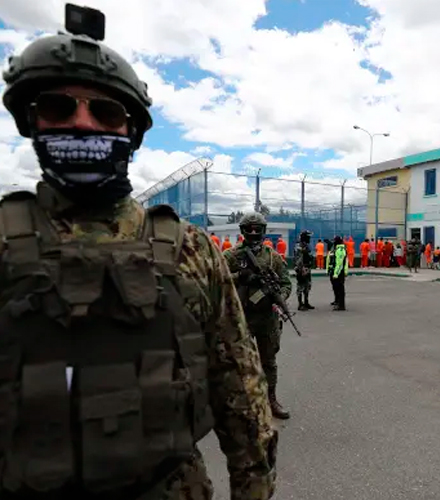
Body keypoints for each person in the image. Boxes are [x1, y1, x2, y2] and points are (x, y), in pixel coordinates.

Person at [0, 7, 277, 498]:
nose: (82, 125)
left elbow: (238, 388)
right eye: (59, 108)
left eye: (105, 113)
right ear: (30, 120)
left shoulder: (192, 250)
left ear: (132, 132)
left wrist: (252, 486)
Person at [224, 212, 292, 420]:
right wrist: (241, 277)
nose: (253, 233)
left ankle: (270, 400)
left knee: (269, 361)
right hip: (241, 317)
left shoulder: (273, 257)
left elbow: (286, 283)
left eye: (257, 229)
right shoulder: (231, 256)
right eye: (249, 229)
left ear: (264, 231)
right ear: (243, 231)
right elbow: (218, 281)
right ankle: (241, 404)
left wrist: (278, 297)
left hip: (266, 318)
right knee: (239, 362)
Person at [294, 230, 315, 311]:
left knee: (307, 286)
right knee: (300, 286)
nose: (309, 238)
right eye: (308, 237)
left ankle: (306, 302)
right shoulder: (299, 245)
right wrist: (300, 269)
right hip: (301, 268)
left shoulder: (306, 245)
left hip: (307, 268)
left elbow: (309, 255)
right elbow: (298, 259)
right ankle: (300, 304)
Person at [328, 236, 348, 310]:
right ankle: (338, 303)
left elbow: (339, 264)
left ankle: (341, 305)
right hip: (335, 271)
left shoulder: (340, 249)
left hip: (339, 273)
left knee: (340, 289)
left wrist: (336, 274)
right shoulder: (335, 249)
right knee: (336, 288)